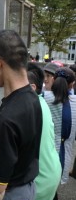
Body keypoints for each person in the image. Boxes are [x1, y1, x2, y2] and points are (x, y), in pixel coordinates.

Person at [0, 29, 42, 200]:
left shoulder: (6, 120)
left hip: (12, 194)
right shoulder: (32, 97)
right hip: (29, 188)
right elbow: (20, 140)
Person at [27, 62, 61, 200]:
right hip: (52, 170)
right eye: (45, 75)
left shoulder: (32, 106)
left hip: (40, 181)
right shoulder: (41, 101)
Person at [43, 67, 76, 199]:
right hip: (64, 153)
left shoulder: (43, 98)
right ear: (72, 84)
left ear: (54, 80)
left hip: (45, 152)